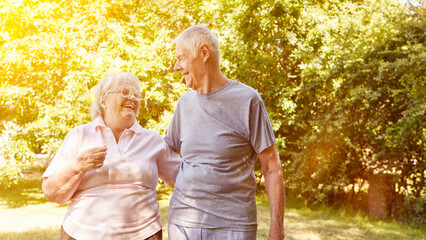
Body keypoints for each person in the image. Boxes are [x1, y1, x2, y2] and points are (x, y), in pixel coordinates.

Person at [165, 25, 285, 240]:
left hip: (234, 225)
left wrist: (277, 230)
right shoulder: (184, 104)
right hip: (183, 223)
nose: (176, 67)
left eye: (181, 58)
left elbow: (271, 167)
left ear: (204, 53)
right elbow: (166, 153)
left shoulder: (248, 100)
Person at [42, 72, 181, 240]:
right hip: (80, 234)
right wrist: (78, 166)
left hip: (143, 235)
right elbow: (52, 193)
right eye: (124, 92)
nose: (132, 98)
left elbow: (185, 177)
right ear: (103, 101)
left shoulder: (153, 141)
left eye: (136, 95)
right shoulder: (79, 135)